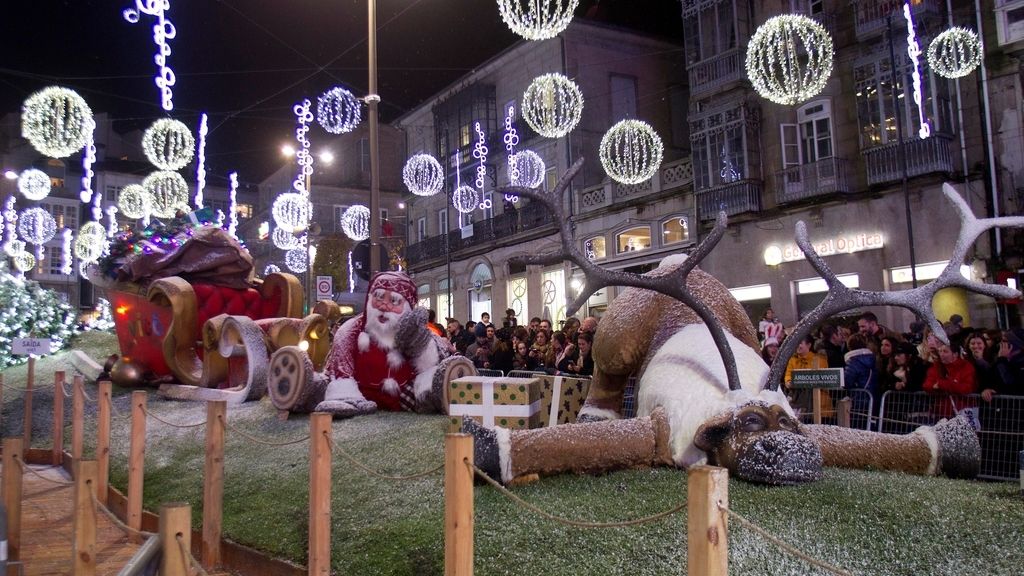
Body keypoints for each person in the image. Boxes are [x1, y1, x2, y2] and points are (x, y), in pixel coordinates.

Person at [923, 342, 977, 420]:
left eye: (945, 351)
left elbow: (967, 388)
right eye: (940, 351)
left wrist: (942, 384)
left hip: (964, 413)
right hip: (942, 414)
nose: (941, 354)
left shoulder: (966, 367)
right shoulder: (936, 367)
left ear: (955, 354)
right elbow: (926, 385)